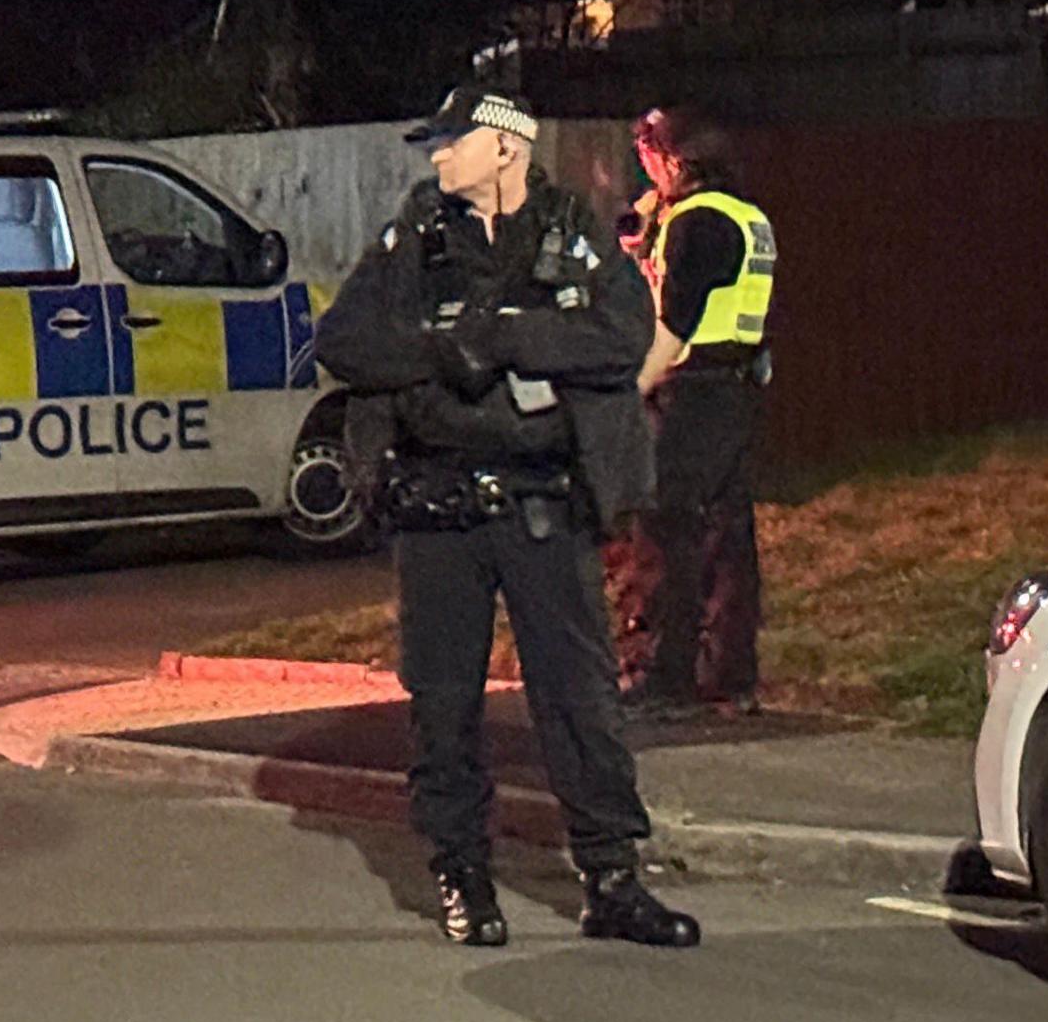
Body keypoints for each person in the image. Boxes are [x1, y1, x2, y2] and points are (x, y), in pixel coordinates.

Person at [316, 84, 700, 952]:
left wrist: (506, 337)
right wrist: (441, 352)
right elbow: (344, 343)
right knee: (444, 706)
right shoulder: (417, 233)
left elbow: (619, 338)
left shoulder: (572, 230)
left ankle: (611, 880)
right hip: (438, 510)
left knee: (578, 700)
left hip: (544, 504)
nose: (437, 157)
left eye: (452, 142)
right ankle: (463, 877)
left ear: (504, 146)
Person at [627, 107, 775, 720]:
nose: (649, 177)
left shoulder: (696, 222)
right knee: (726, 534)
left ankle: (665, 677)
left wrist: (632, 387)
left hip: (692, 391)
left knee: (667, 533)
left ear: (673, 160)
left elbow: (675, 328)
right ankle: (728, 672)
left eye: (650, 162)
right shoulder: (746, 215)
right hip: (736, 388)